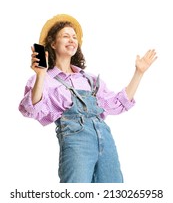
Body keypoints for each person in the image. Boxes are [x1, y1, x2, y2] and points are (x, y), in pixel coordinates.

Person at [19, 14, 157, 183]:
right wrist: (40, 74)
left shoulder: (88, 79)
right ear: (53, 44)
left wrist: (139, 73)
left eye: (74, 37)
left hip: (104, 138)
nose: (72, 40)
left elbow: (117, 103)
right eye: (65, 36)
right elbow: (32, 109)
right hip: (76, 141)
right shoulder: (45, 79)